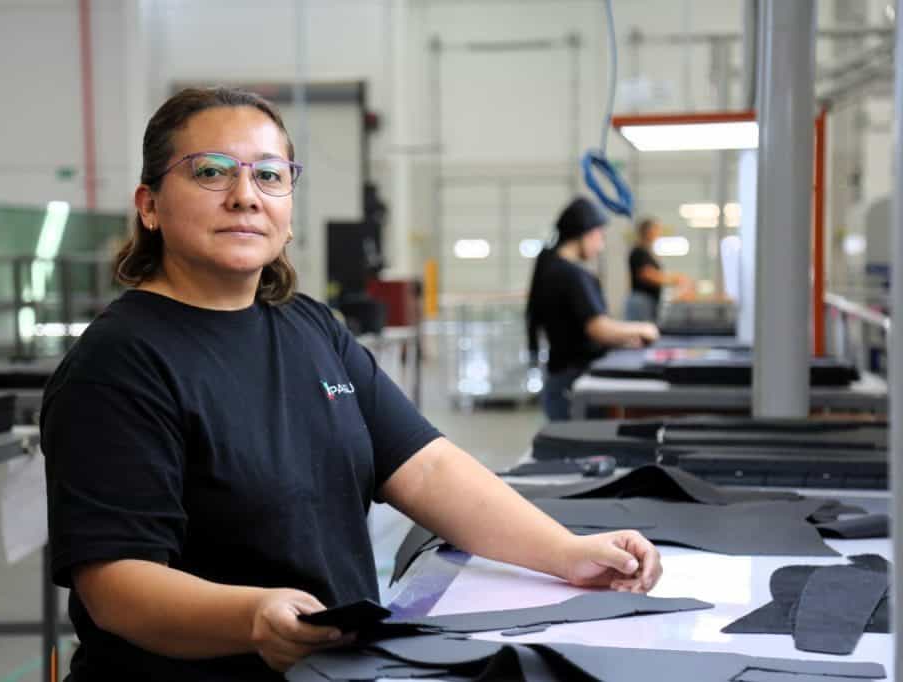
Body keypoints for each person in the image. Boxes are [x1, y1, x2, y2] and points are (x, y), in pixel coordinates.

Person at [41, 87, 663, 681]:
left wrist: (567, 553)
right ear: (149, 205)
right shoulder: (119, 363)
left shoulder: (309, 325)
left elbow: (425, 470)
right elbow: (117, 585)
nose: (244, 195)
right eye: (210, 171)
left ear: (287, 205)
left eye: (269, 174)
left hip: (334, 667)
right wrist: (250, 617)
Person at [526, 197, 659, 421]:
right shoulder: (572, 275)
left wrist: (624, 339)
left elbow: (576, 329)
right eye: (600, 237)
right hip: (573, 383)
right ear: (584, 234)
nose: (601, 245)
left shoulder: (552, 268)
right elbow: (598, 328)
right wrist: (643, 328)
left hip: (560, 380)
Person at [624, 217, 691, 321]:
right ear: (648, 231)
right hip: (641, 301)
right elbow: (647, 275)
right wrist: (675, 280)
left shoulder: (648, 252)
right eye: (656, 229)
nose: (659, 233)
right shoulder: (639, 251)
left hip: (648, 301)